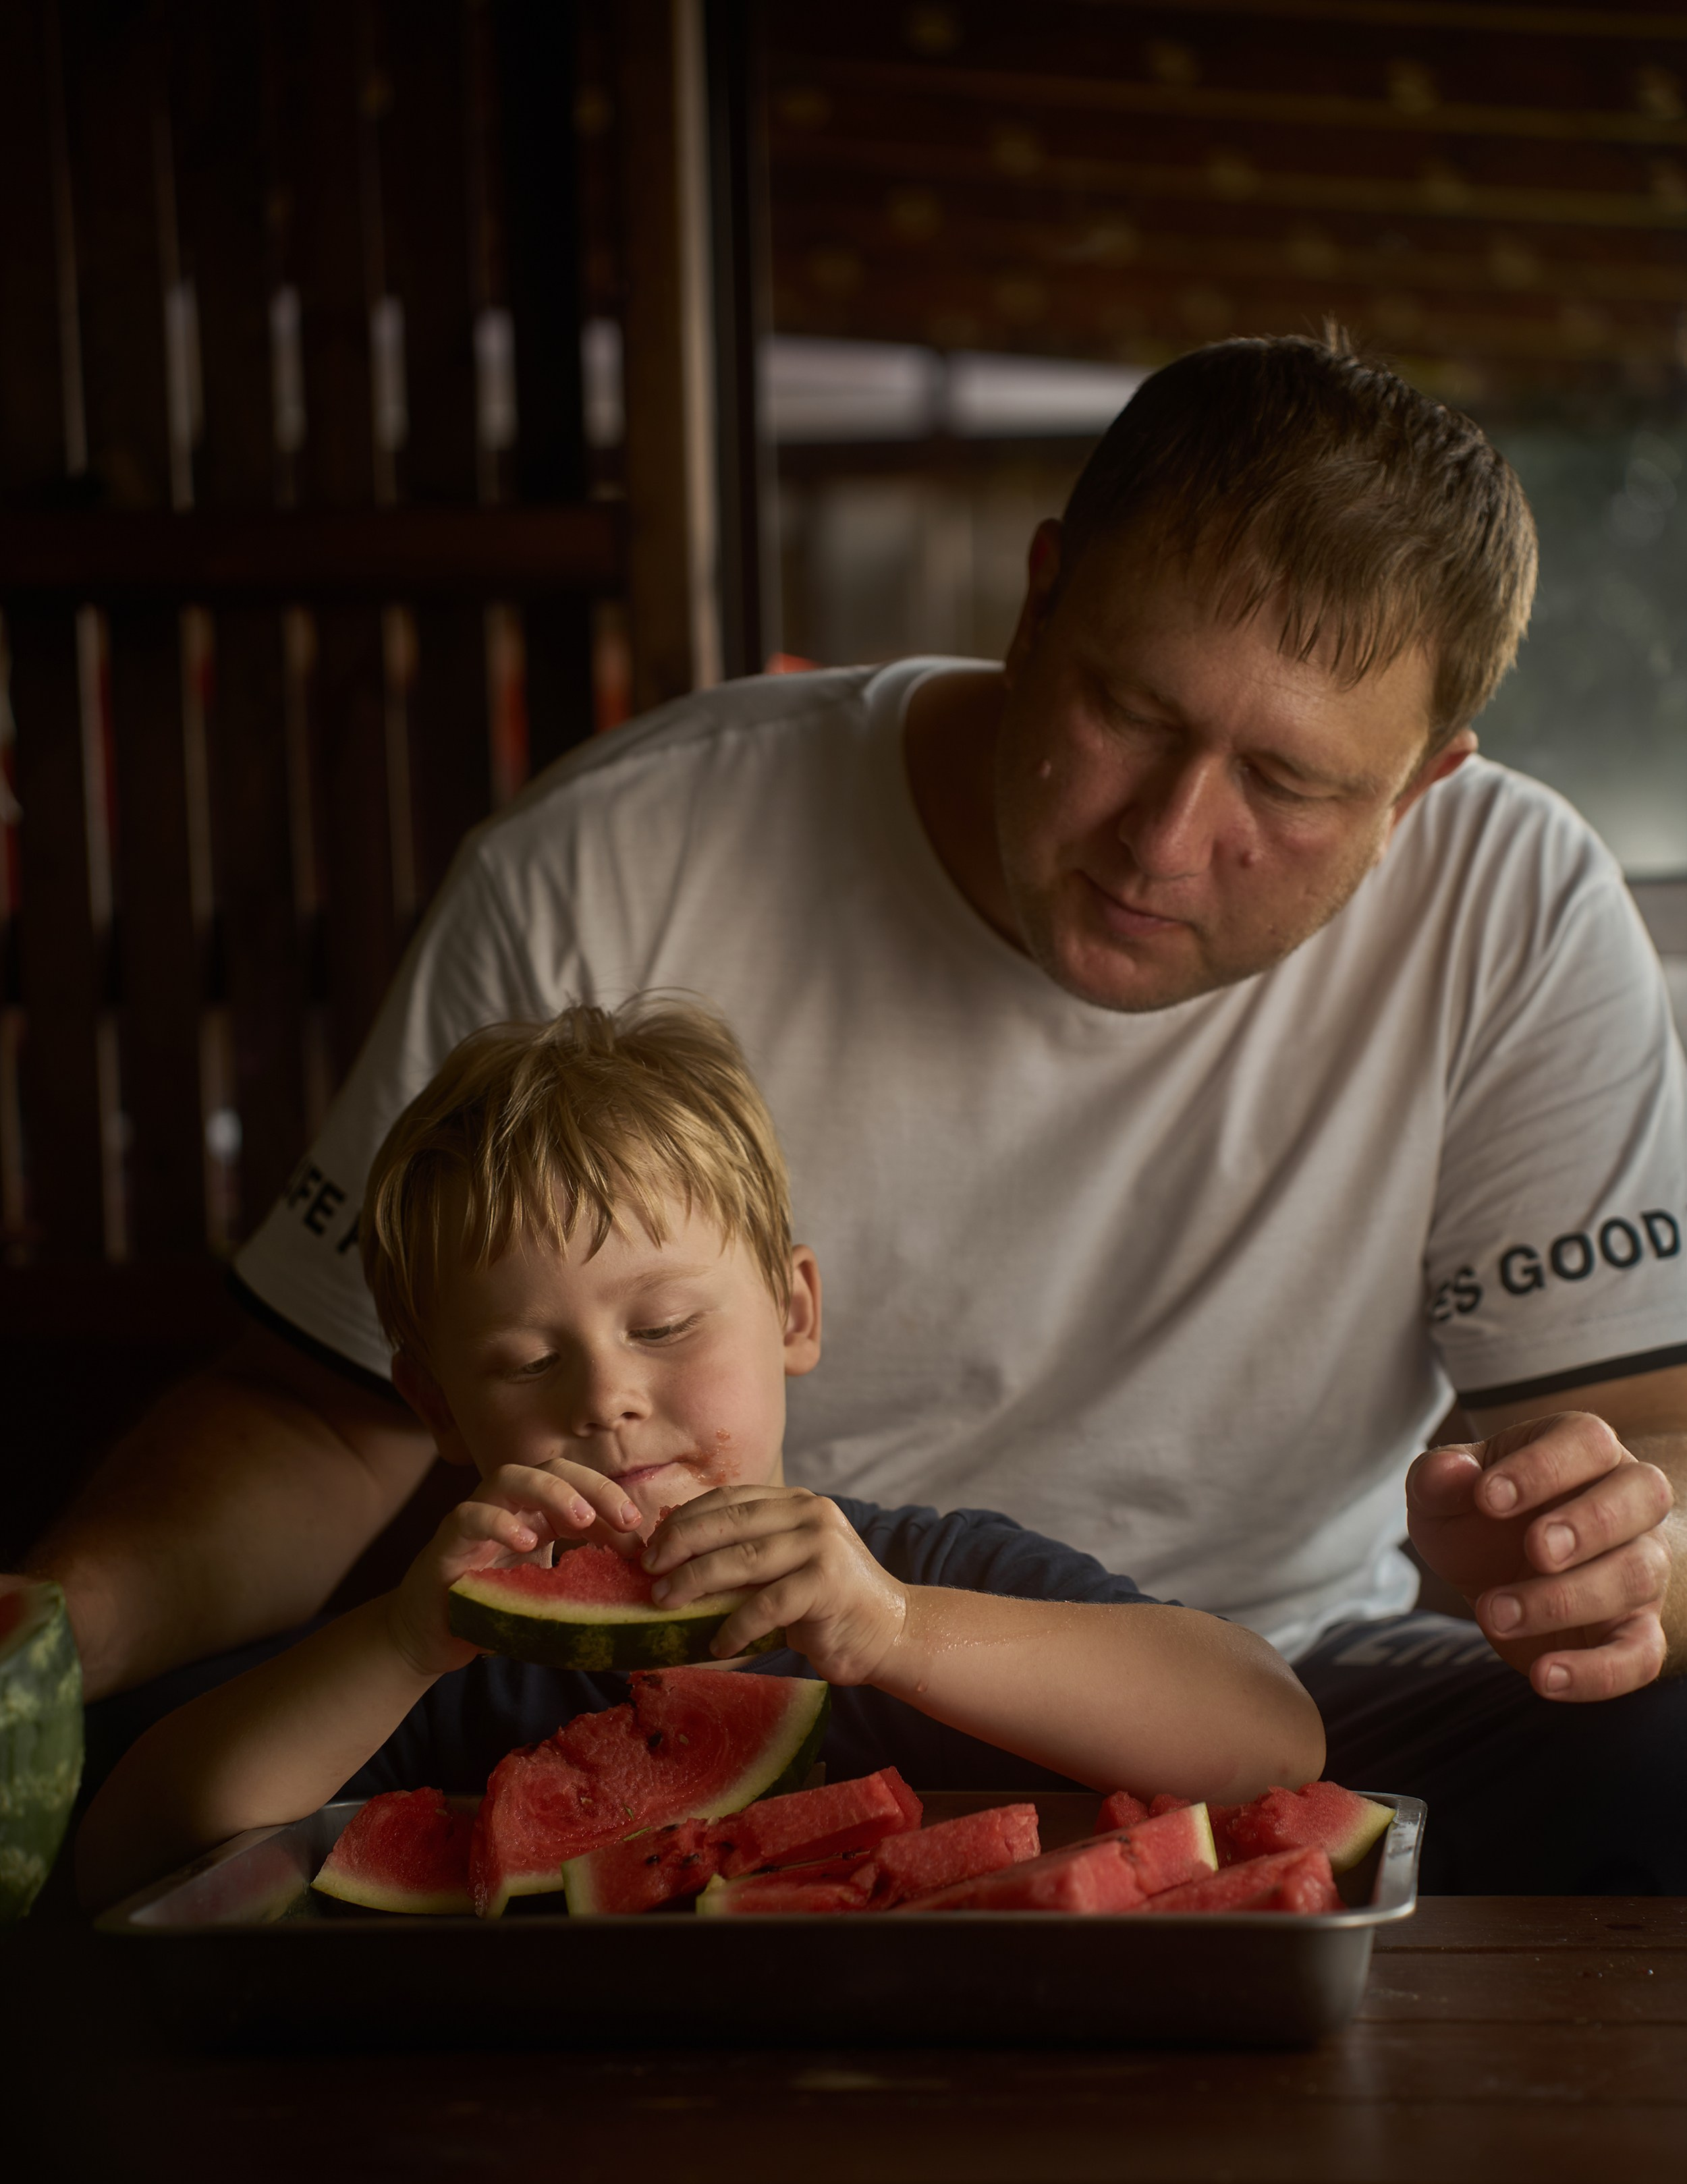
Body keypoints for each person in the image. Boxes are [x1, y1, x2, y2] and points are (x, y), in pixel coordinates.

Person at [28, 331, 1687, 1893]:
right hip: (644, 1663)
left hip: (1270, 1676)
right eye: (1130, 714)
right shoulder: (622, 858)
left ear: (1418, 784)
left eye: (1290, 785)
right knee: (130, 1779)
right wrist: (46, 1635)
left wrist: (1610, 1553)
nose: (1167, 840)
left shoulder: (1515, 911)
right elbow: (323, 1413)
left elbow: (1644, 1432)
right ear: (1038, 600)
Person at [75, 1004, 1318, 1912]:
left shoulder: (917, 1568)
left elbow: (1270, 1735)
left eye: (665, 1327)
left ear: (793, 1314)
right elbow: (137, 1844)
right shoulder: (454, 1654)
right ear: (439, 1408)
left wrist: (895, 1631)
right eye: (522, 1362)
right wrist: (403, 1645)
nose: (610, 1399)